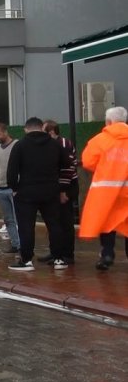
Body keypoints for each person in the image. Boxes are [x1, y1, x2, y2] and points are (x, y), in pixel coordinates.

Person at [6, 117, 70, 271]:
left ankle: (26, 260)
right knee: (54, 225)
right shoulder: (55, 145)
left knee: (26, 226)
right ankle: (59, 259)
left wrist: (14, 188)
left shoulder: (20, 145)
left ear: (26, 129)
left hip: (26, 192)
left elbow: (12, 171)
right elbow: (65, 165)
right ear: (42, 128)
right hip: (51, 191)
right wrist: (59, 187)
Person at [78, 106, 128, 271]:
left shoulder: (99, 140)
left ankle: (107, 254)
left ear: (108, 121)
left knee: (107, 222)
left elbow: (88, 162)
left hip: (106, 190)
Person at [38, 120, 79, 264]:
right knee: (54, 221)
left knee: (65, 222)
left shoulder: (63, 144)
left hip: (65, 188)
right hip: (56, 187)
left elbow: (68, 169)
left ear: (51, 132)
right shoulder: (53, 145)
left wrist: (63, 191)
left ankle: (67, 254)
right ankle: (56, 252)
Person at [0, 122, 20, 254]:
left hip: (14, 188)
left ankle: (24, 245)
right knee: (8, 219)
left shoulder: (17, 145)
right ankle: (15, 244)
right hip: (0, 188)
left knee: (19, 217)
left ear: (5, 131)